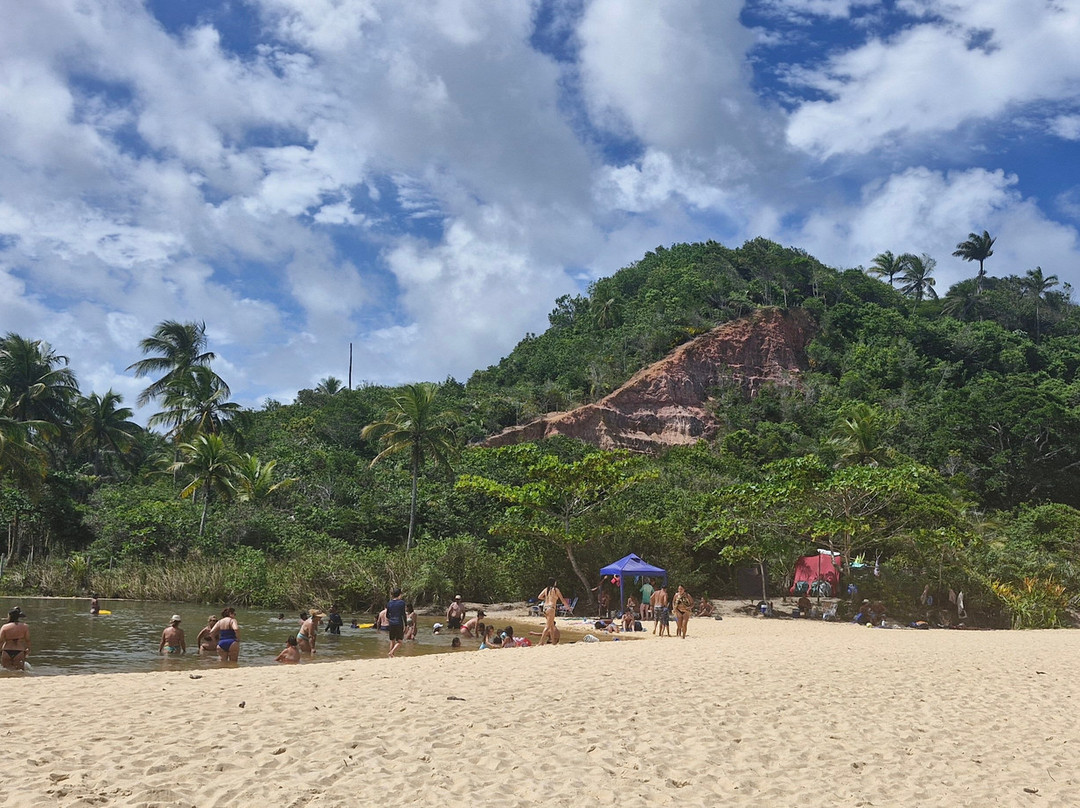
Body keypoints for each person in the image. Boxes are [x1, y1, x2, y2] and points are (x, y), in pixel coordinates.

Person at [537, 578, 570, 646]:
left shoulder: (546, 589)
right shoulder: (556, 590)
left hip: (545, 608)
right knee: (548, 627)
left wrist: (546, 598)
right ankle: (541, 642)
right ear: (554, 583)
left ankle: (553, 642)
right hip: (551, 608)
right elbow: (562, 600)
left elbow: (539, 597)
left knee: (551, 626)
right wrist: (567, 607)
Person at [1, 607, 30, 671]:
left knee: (6, 671)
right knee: (20, 671)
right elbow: (27, 640)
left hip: (6, 650)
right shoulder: (25, 626)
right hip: (19, 650)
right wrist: (28, 649)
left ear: (10, 617)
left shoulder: (5, 627)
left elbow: (1, 641)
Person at [386, 588, 407, 658]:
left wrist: (390, 620)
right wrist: (405, 625)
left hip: (391, 623)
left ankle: (391, 656)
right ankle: (391, 652)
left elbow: (387, 615)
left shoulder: (389, 603)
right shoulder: (402, 603)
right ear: (400, 594)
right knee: (400, 641)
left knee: (392, 640)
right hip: (398, 623)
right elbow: (403, 615)